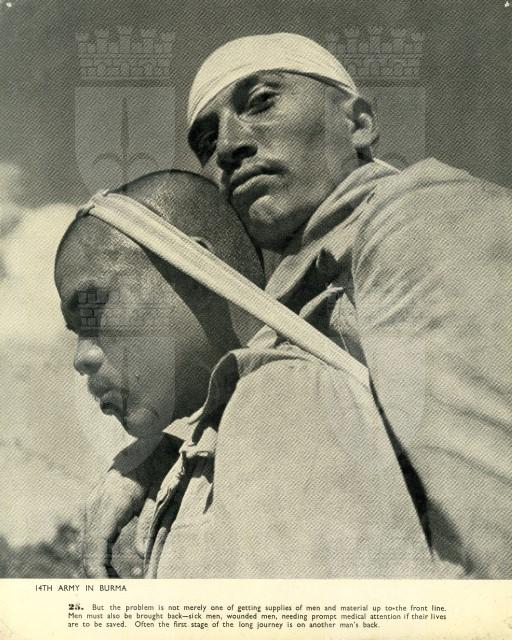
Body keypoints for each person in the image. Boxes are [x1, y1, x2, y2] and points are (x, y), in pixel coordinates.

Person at [85, 33, 512, 578]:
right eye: (207, 140)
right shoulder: (287, 301)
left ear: (358, 123)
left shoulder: (416, 219)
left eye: (262, 102)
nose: (228, 146)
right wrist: (159, 458)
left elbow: (493, 508)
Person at [55, 170, 441, 578]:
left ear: (190, 270)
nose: (82, 358)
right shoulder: (239, 430)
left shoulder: (282, 399)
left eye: (92, 309)